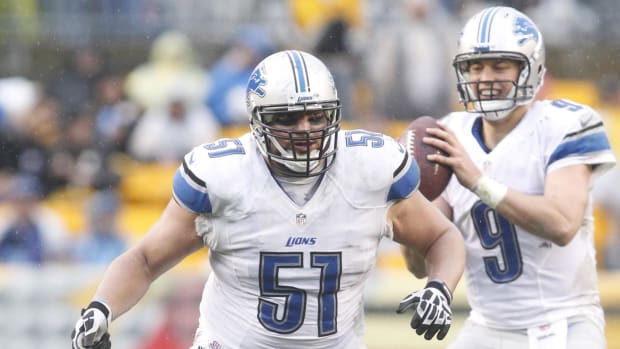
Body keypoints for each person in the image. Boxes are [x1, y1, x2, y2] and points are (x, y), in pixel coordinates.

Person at [71, 50, 466, 349]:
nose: (305, 129)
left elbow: (441, 238)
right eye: (287, 119)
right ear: (257, 121)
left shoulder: (371, 167)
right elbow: (145, 258)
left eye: (316, 116)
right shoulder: (223, 177)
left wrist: (440, 288)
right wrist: (101, 308)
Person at [401, 6, 616, 349]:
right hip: (488, 325)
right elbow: (420, 261)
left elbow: (562, 224)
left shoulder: (563, 125)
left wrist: (477, 181)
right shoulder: (448, 133)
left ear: (529, 68)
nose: (485, 77)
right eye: (475, 67)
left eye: (499, 66)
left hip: (564, 322)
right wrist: (407, 204)